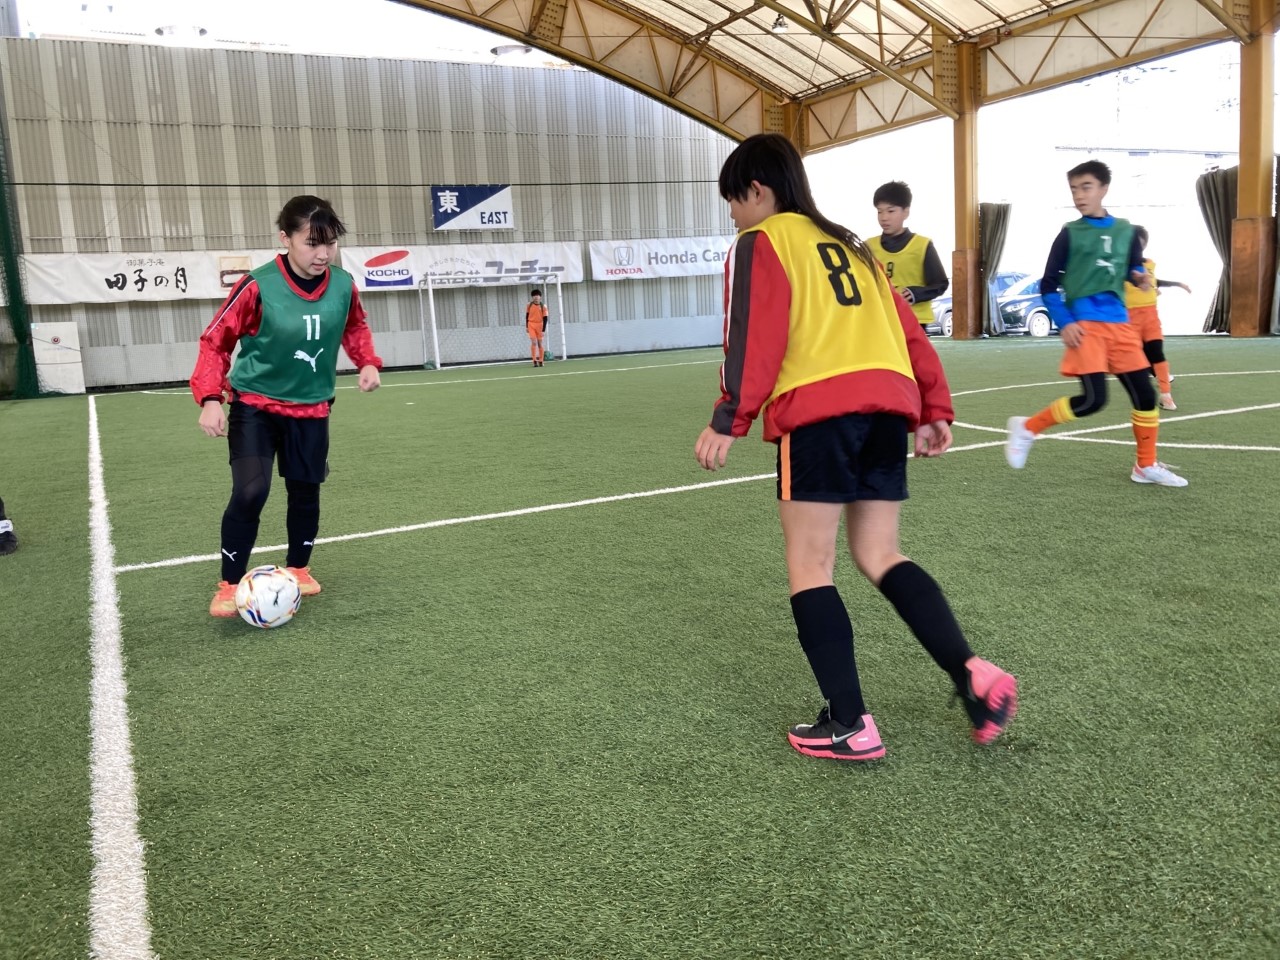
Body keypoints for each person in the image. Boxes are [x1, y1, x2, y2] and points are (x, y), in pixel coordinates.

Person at [693, 133, 1017, 762]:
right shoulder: (854, 245)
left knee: (810, 564)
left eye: (732, 199)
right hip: (886, 408)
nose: (731, 214)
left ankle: (849, 724)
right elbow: (909, 333)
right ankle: (973, 674)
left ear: (757, 190)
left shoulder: (763, 241)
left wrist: (729, 416)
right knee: (880, 552)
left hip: (819, 411)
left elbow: (753, 335)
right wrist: (933, 407)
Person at [190, 195, 383, 617]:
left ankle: (299, 568)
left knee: (305, 490)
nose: (323, 254)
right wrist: (210, 398)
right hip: (255, 407)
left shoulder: (343, 285)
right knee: (251, 490)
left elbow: (354, 325)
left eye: (330, 243)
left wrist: (366, 361)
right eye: (312, 243)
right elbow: (215, 341)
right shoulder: (257, 286)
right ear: (285, 238)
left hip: (312, 409)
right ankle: (229, 584)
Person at [1004, 161, 1188, 488]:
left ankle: (1145, 466)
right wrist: (1065, 322)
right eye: (1073, 189)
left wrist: (1139, 277)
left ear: (1104, 188)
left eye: (1085, 187)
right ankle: (1027, 428)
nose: (1078, 195)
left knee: (1145, 396)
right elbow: (1048, 285)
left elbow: (1130, 267)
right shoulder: (1069, 234)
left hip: (1120, 323)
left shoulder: (1126, 231)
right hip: (1086, 324)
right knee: (1093, 401)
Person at [867, 181, 950, 329]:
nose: (884, 217)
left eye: (890, 211)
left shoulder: (922, 245)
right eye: (879, 211)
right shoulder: (868, 246)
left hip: (914, 319)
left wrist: (915, 293)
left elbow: (940, 284)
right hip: (881, 319)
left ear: (906, 212)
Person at [1126, 226, 1190, 410]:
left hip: (1150, 316)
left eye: (1140, 244)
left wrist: (1177, 284)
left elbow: (1154, 281)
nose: (1137, 248)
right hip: (1129, 318)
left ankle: (1165, 395)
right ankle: (1153, 378)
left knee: (1157, 353)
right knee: (1139, 356)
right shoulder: (1119, 265)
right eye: (1134, 243)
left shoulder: (1148, 264)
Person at [525, 289, 548, 366]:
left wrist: (543, 330)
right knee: (534, 342)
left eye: (537, 295)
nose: (536, 297)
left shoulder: (543, 306)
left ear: (540, 297)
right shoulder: (529, 305)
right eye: (534, 295)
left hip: (540, 325)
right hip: (531, 324)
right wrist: (526, 326)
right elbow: (527, 315)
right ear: (532, 297)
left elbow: (545, 318)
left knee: (540, 343)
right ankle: (534, 360)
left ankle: (541, 360)